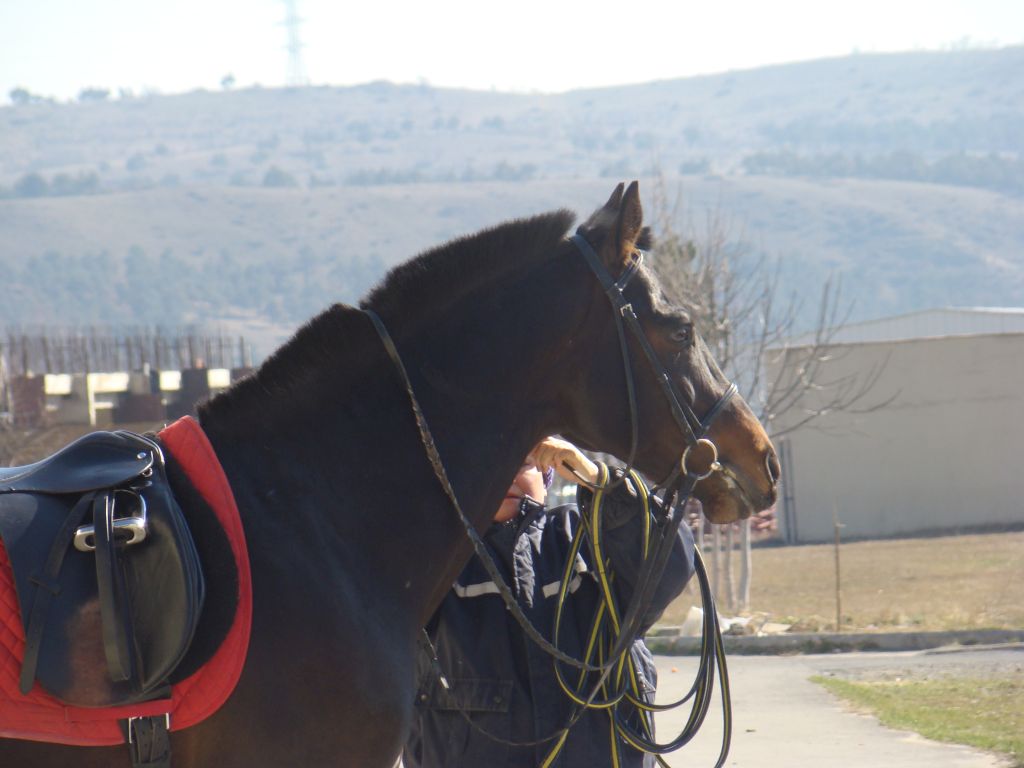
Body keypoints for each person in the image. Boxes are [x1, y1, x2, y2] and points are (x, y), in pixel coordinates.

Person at [404, 437, 696, 768]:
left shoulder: (590, 536)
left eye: (523, 464)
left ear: (548, 473)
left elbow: (668, 565)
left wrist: (602, 482)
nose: (505, 477)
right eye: (489, 468)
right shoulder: (438, 561)